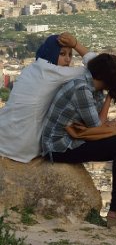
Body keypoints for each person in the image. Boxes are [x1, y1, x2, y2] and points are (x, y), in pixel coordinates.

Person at [41, 53, 116, 232]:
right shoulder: (82, 89)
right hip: (59, 147)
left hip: (74, 140)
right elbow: (98, 126)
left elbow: (101, 125)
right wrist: (112, 99)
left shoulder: (93, 89)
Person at [0, 32, 95, 162]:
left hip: (3, 135)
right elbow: (98, 68)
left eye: (70, 54)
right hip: (24, 146)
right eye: (62, 54)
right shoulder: (55, 72)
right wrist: (76, 44)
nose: (68, 59)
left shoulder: (30, 68)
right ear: (52, 52)